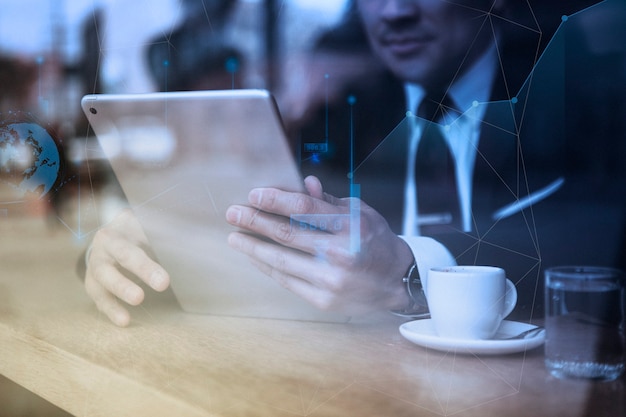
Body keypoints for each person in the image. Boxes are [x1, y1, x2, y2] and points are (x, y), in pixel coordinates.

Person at [84, 0, 626, 326]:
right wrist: (150, 245)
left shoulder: (583, 87)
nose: (393, 12)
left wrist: (410, 272)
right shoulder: (342, 108)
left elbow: (598, 242)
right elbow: (279, 233)